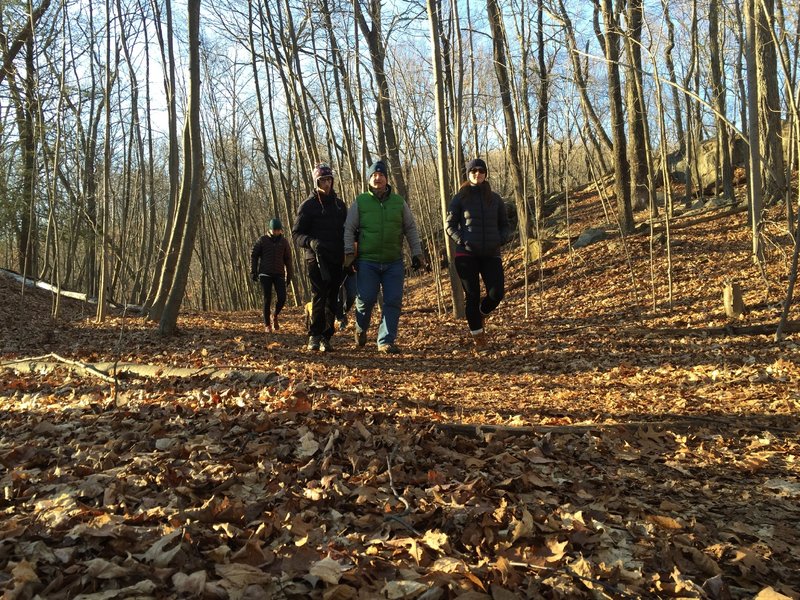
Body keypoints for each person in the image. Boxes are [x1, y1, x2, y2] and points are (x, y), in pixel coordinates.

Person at [344, 160, 425, 353]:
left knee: (393, 300)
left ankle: (385, 341)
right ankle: (360, 327)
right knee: (366, 300)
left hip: (393, 261)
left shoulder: (398, 202)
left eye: (380, 175)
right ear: (369, 180)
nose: (377, 178)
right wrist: (349, 255)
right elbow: (349, 229)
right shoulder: (360, 202)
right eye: (373, 175)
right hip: (367, 261)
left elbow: (410, 228)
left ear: (386, 178)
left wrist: (417, 253)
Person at [445, 158, 510, 351]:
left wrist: (501, 239)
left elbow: (505, 224)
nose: (477, 173)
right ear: (468, 173)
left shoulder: (495, 198)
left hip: (491, 253)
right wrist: (462, 240)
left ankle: (481, 313)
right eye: (473, 170)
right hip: (466, 254)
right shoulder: (460, 198)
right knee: (472, 296)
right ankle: (478, 338)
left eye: (481, 170)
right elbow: (449, 225)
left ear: (485, 174)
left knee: (496, 293)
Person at [292, 163, 348, 352]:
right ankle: (314, 335)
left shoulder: (340, 206)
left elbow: (347, 231)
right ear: (316, 182)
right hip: (315, 258)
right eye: (322, 180)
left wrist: (350, 254)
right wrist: (311, 242)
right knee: (319, 295)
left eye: (328, 179)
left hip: (336, 257)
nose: (326, 183)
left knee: (333, 298)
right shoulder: (307, 206)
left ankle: (326, 336)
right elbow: (296, 235)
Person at [250, 218, 293, 332]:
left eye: (278, 230)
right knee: (267, 298)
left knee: (282, 298)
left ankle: (275, 315)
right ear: (270, 230)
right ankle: (267, 325)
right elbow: (254, 255)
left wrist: (289, 275)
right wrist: (253, 271)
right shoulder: (262, 240)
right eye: (274, 230)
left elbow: (288, 260)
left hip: (279, 273)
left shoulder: (284, 242)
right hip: (265, 273)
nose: (276, 232)